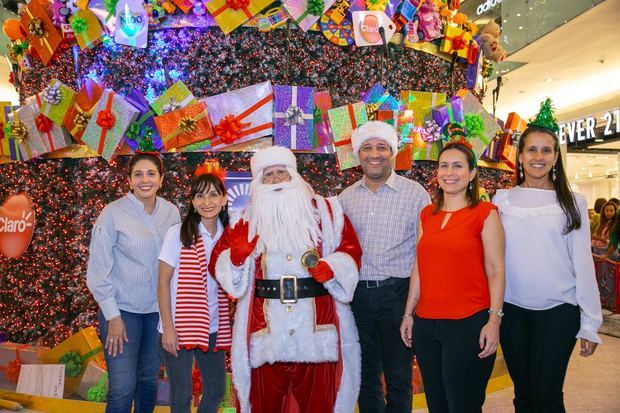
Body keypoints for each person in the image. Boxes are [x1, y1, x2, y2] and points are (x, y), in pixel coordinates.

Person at [208, 146, 363, 413]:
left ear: (294, 176)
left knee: (319, 405)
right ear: (258, 183)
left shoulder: (327, 212)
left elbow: (350, 249)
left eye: (282, 172)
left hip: (317, 332)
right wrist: (235, 260)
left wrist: (332, 268)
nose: (277, 180)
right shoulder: (242, 221)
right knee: (265, 406)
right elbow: (218, 265)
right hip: (266, 333)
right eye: (268, 175)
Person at [492, 99, 602, 413]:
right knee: (523, 396)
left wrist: (591, 323)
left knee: (547, 396)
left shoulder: (573, 202)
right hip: (512, 311)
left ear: (555, 157)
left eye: (546, 150)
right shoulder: (502, 200)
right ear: (521, 156)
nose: (538, 157)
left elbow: (583, 264)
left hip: (559, 313)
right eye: (532, 150)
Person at [399, 139, 505, 413]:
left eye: (457, 166)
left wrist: (494, 320)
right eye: (444, 166)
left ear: (471, 173)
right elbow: (419, 267)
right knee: (437, 405)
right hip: (427, 326)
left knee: (463, 404)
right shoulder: (427, 215)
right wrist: (409, 313)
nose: (449, 172)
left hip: (468, 323)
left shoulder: (485, 213)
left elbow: (496, 269)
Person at [339, 121, 430, 413]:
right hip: (358, 297)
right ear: (358, 155)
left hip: (398, 295)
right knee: (364, 379)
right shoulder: (344, 199)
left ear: (392, 152)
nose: (374, 154)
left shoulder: (416, 194)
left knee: (399, 377)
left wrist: (413, 306)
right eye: (367, 147)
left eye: (381, 147)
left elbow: (425, 252)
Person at [87, 153, 181, 413]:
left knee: (148, 381)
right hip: (122, 313)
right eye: (138, 174)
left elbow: (177, 261)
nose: (145, 180)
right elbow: (97, 273)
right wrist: (113, 318)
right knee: (123, 387)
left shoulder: (171, 212)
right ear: (129, 181)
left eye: (151, 173)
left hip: (157, 314)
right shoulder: (113, 213)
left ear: (161, 179)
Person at [157, 171, 231, 413]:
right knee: (181, 395)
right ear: (192, 201)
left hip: (213, 326)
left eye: (212, 195)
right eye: (200, 196)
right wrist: (168, 327)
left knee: (216, 390)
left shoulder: (229, 236)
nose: (206, 202)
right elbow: (162, 282)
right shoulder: (177, 233)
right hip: (178, 326)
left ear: (224, 199)